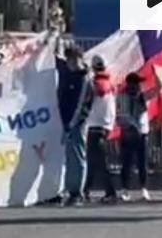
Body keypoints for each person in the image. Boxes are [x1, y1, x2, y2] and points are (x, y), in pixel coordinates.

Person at [77, 55, 117, 203]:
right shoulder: (110, 84)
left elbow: (85, 104)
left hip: (94, 126)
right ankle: (86, 190)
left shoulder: (93, 84)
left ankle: (110, 192)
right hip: (106, 127)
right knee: (94, 161)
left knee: (99, 162)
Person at [57, 46, 91, 206]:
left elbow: (79, 106)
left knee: (77, 158)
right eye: (69, 60)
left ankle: (77, 193)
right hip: (65, 123)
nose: (70, 63)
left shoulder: (84, 79)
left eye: (73, 60)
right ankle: (70, 190)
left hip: (76, 125)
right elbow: (56, 60)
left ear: (80, 59)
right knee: (69, 158)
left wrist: (70, 125)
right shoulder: (68, 73)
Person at [117, 73, 152, 202]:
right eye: (137, 83)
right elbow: (121, 116)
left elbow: (157, 91)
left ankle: (144, 189)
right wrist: (130, 126)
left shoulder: (142, 97)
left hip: (142, 134)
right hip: (128, 133)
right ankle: (125, 189)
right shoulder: (122, 98)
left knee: (142, 163)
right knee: (126, 163)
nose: (139, 86)